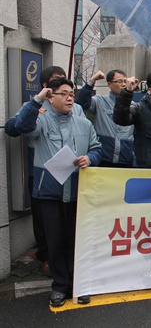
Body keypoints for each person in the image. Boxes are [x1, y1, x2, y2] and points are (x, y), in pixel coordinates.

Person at [13, 77, 101, 307]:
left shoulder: (84, 123)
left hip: (77, 193)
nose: (70, 97)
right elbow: (21, 126)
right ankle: (60, 286)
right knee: (55, 242)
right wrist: (36, 101)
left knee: (76, 241)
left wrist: (89, 158)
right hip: (50, 193)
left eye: (71, 93)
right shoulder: (40, 121)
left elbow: (96, 149)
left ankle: (78, 286)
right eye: (63, 93)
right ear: (50, 97)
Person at [4, 66, 85, 277]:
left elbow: (89, 139)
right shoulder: (34, 108)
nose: (66, 95)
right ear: (46, 88)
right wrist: (35, 108)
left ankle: (71, 267)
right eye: (57, 84)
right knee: (45, 222)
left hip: (72, 177)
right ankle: (47, 257)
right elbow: (14, 127)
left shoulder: (76, 110)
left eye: (68, 90)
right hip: (42, 174)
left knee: (70, 226)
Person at [75, 69, 137, 167]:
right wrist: (92, 81)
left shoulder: (133, 106)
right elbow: (82, 103)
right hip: (103, 157)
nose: (123, 84)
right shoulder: (100, 101)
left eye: (125, 81)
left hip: (126, 158)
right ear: (109, 84)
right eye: (119, 81)